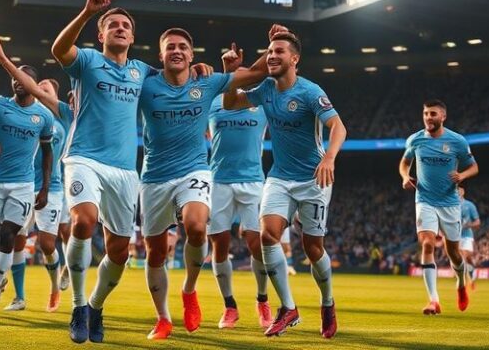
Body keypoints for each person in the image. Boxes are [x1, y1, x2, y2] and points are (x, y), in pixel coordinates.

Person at [138, 31, 267, 340]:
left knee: (196, 226)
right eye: (170, 46)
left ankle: (189, 289)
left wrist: (278, 44)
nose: (177, 50)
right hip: (154, 176)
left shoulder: (207, 83)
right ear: (161, 55)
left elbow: (258, 73)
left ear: (192, 55)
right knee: (155, 252)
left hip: (194, 170)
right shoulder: (146, 85)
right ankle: (163, 318)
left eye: (183, 47)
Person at [49, 0, 160, 344]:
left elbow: (178, 79)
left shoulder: (142, 71)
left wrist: (200, 68)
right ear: (101, 35)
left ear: (132, 35)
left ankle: (96, 305)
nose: (120, 28)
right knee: (83, 221)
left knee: (120, 252)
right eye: (113, 24)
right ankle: (79, 307)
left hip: (126, 170)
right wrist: (86, 12)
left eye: (125, 25)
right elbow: (58, 50)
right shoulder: (86, 61)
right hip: (83, 158)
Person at [223, 29, 347, 339]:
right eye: (269, 51)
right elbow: (230, 103)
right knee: (268, 235)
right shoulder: (265, 88)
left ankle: (327, 302)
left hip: (313, 178)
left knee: (312, 247)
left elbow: (338, 126)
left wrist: (329, 158)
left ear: (295, 58)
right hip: (279, 176)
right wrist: (230, 73)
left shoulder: (309, 92)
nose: (273, 55)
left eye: (280, 51)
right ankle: (288, 308)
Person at [0, 37, 76, 313]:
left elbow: (49, 154)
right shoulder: (12, 110)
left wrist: (46, 186)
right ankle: (18, 296)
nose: (38, 88)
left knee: (46, 242)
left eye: (44, 87)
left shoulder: (58, 119)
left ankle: (56, 285)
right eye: (38, 85)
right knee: (14, 240)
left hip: (52, 187)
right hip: (14, 182)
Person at [0, 63, 55, 316]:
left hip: (23, 186)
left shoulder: (44, 116)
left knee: (8, 238)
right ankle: (0, 282)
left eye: (24, 79)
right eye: (14, 78)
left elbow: (47, 153)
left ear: (32, 83)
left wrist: (45, 189)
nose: (18, 82)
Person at [400, 99, 479, 315]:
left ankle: (461, 283)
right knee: (427, 243)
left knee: (453, 252)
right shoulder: (415, 140)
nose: (428, 117)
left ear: (443, 116)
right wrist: (405, 176)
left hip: (450, 203)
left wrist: (461, 175)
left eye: (433, 114)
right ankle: (433, 301)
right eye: (425, 113)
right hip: (424, 199)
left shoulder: (457, 141)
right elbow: (404, 162)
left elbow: (474, 167)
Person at [207, 93, 272, 330]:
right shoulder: (213, 102)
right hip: (218, 182)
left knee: (257, 243)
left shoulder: (261, 104)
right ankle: (229, 306)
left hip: (253, 181)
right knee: (219, 245)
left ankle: (262, 301)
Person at [458, 186, 480, 289]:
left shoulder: (469, 205)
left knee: (467, 257)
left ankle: (471, 273)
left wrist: (468, 225)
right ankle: (464, 280)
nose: (457, 192)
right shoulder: (450, 206)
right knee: (460, 259)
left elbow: (477, 222)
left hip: (467, 236)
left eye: (459, 190)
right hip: (455, 237)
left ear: (463, 191)